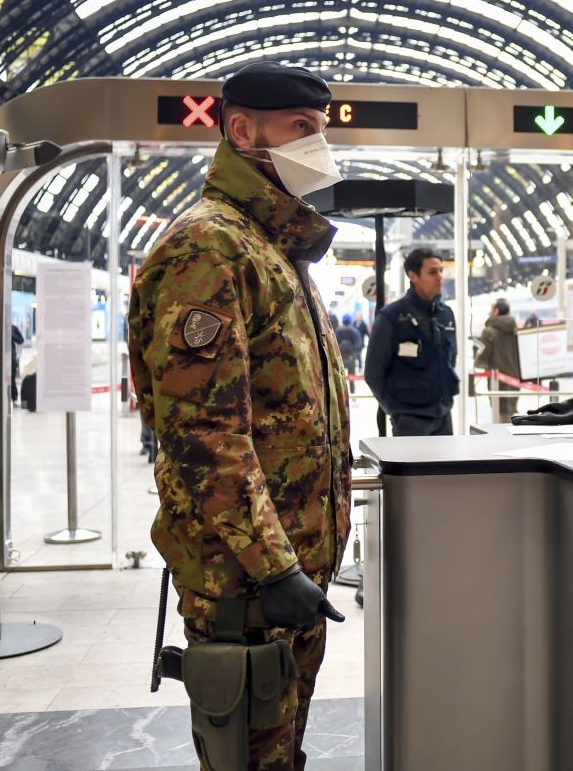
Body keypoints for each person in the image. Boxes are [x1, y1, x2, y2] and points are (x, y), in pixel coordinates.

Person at [128, 61, 351, 770]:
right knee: (248, 756)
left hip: (290, 576)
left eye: (322, 129)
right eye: (302, 128)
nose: (318, 145)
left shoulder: (277, 251)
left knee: (279, 751)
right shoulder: (209, 247)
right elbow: (202, 431)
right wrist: (274, 565)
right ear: (242, 130)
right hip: (247, 584)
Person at [366, 248, 459, 436]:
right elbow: (373, 373)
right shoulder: (391, 317)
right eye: (433, 272)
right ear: (413, 276)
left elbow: (451, 359)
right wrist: (394, 409)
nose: (440, 277)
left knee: (447, 466)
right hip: (409, 420)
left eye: (441, 270)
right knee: (414, 467)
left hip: (443, 417)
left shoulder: (446, 315)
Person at [476, 299, 521, 423]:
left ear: (496, 311)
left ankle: (501, 441)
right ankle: (510, 441)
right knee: (510, 412)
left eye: (491, 309)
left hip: (498, 378)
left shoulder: (488, 332)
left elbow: (483, 355)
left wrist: (478, 364)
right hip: (514, 377)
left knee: (499, 414)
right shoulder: (515, 330)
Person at [334, 314, 362, 392]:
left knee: (340, 378)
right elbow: (358, 344)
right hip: (351, 358)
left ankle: (342, 394)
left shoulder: (338, 331)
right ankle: (353, 395)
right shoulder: (354, 331)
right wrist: (355, 355)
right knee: (351, 376)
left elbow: (334, 344)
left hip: (340, 358)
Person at [10, 323, 24, 403]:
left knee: (11, 379)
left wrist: (11, 335)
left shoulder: (13, 328)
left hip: (11, 359)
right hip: (0, 357)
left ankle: (14, 398)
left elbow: (21, 340)